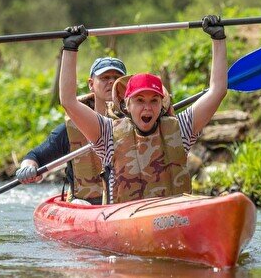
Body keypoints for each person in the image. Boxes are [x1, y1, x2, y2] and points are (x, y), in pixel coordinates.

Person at [59, 15, 227, 204]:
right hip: (124, 222)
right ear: (126, 105)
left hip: (174, 216)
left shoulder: (181, 130)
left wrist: (218, 39)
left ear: (161, 104)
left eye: (154, 100)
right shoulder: (107, 135)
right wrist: (70, 49)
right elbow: (68, 101)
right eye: (140, 100)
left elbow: (217, 91)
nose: (148, 107)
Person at [15, 56, 127, 205]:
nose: (112, 82)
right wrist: (28, 167)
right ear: (91, 84)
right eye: (105, 77)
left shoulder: (137, 121)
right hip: (85, 205)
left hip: (127, 204)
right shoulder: (72, 128)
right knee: (81, 204)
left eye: (117, 78)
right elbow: (35, 156)